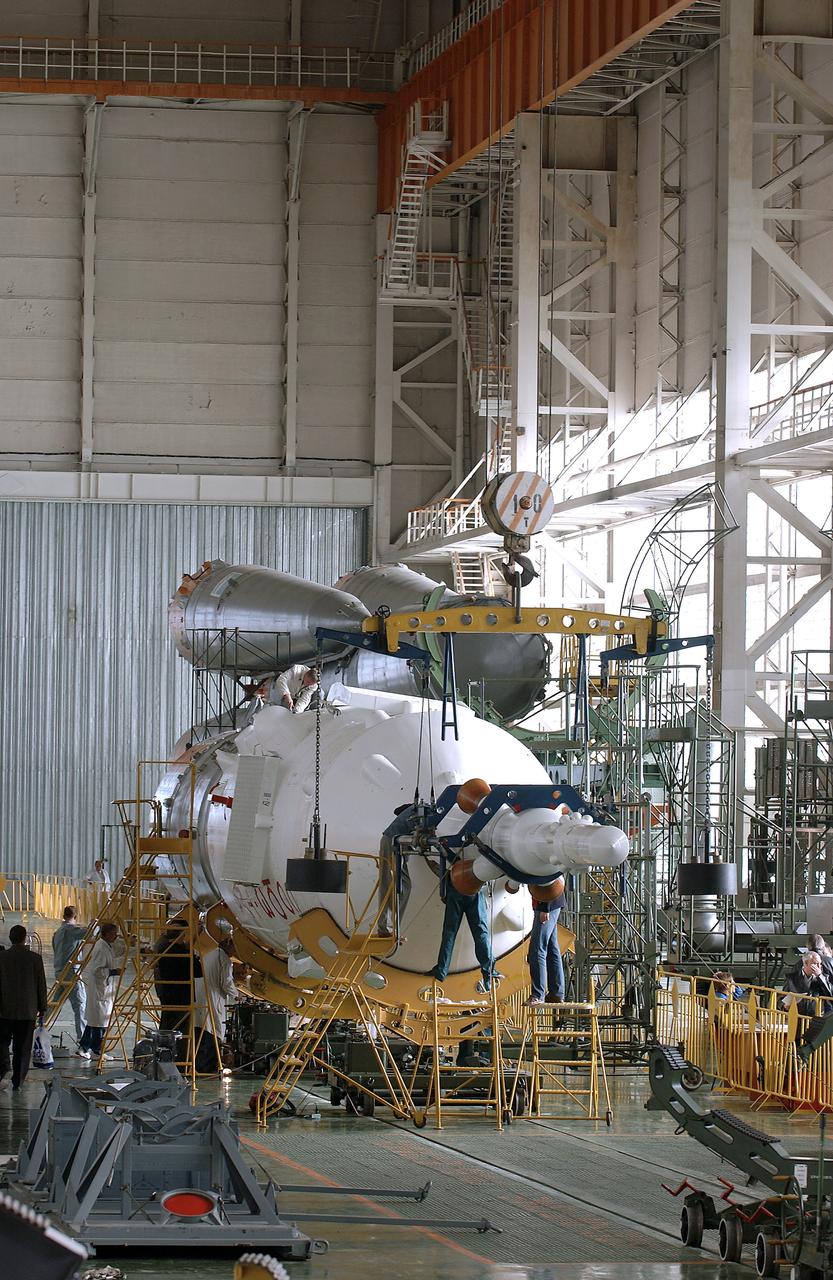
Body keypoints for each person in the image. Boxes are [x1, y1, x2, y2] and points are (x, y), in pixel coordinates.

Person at [429, 868, 498, 994]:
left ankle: (441, 970)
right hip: (475, 889)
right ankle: (488, 972)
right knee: (480, 933)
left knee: (449, 933)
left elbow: (437, 866)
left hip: (455, 887)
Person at [0, 925, 47, 1090]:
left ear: (10, 939)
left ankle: (5, 1067)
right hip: (28, 1010)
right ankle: (18, 1081)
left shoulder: (2, 957)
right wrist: (43, 1007)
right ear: (24, 938)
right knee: (23, 1047)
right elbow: (41, 985)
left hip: (4, 1009)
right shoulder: (35, 958)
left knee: (2, 1041)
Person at [78, 922, 122, 1060]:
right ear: (107, 934)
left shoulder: (106, 945)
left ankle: (84, 1047)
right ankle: (96, 1050)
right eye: (115, 933)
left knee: (95, 1021)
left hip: (103, 989)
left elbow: (119, 951)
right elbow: (97, 970)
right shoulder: (101, 948)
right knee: (99, 1022)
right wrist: (114, 971)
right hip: (100, 989)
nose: (116, 936)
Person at [194, 937, 238, 1073]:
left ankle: (200, 1064)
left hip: (200, 995)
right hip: (212, 998)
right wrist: (237, 996)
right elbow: (226, 983)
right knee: (213, 1030)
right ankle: (208, 1066)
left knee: (202, 1029)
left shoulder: (211, 954)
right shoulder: (224, 959)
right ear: (229, 946)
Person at [154, 918, 202, 1035]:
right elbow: (198, 972)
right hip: (181, 996)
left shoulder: (163, 946)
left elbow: (182, 947)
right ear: (182, 934)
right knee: (180, 1030)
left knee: (167, 1024)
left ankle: (164, 1049)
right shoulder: (182, 953)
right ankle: (178, 1052)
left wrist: (196, 935)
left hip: (167, 992)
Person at [525, 880, 565, 1007]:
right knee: (552, 950)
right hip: (550, 902)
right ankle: (556, 993)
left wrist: (545, 908)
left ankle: (538, 994)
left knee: (537, 949)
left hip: (547, 903)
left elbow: (549, 876)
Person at [52, 905, 87, 1042]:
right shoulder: (71, 930)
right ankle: (82, 1038)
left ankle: (37, 1026)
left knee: (55, 1003)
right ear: (75, 916)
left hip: (59, 970)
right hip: (71, 972)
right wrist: (97, 924)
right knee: (80, 1004)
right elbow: (90, 933)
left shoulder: (58, 932)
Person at [783, 950, 833, 1019]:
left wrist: (820, 976)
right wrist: (785, 1006)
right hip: (797, 1017)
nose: (819, 967)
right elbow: (781, 997)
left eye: (820, 964)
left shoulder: (824, 978)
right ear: (806, 963)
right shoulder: (792, 978)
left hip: (817, 1017)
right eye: (815, 964)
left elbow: (829, 994)